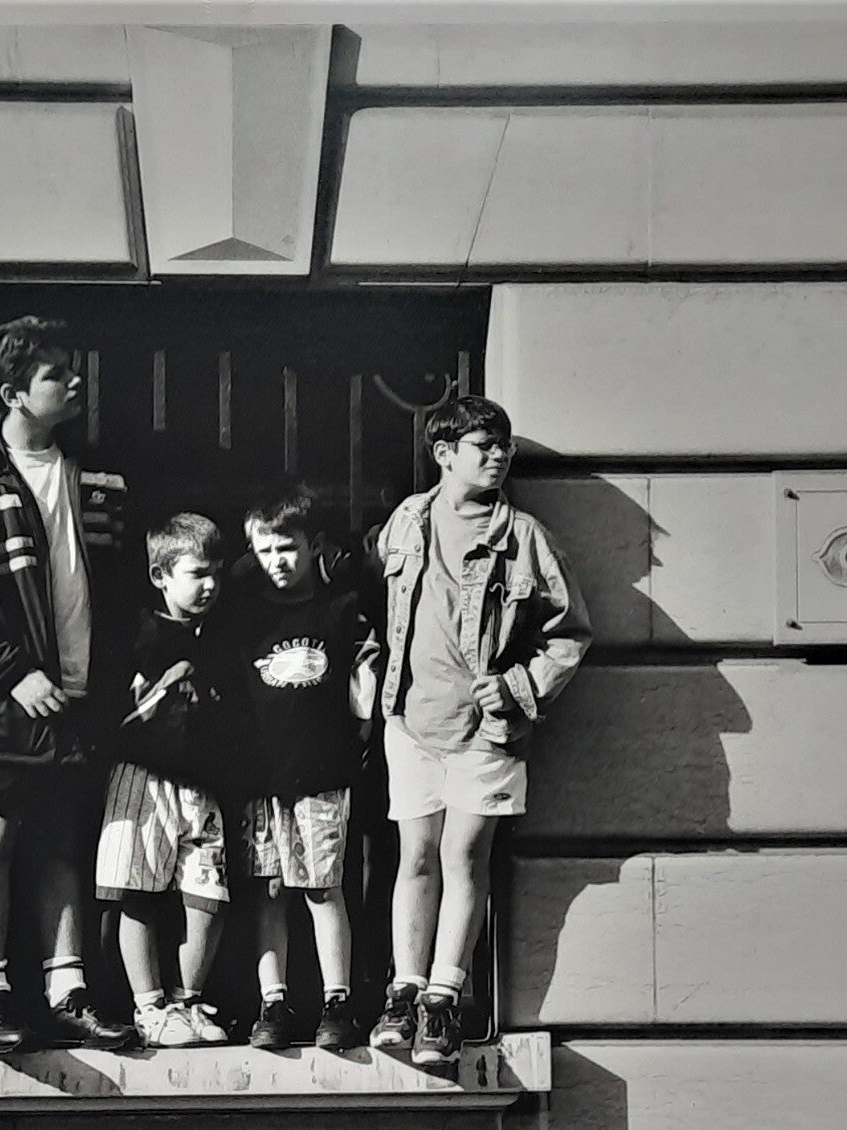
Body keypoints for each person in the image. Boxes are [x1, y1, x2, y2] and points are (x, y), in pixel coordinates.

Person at [0, 315, 136, 1055]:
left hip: (80, 704)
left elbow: (124, 590)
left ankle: (68, 990)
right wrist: (16, 676)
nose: (72, 382)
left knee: (66, 843)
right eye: (54, 374)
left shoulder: (100, 479)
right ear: (14, 393)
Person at [368, 394, 591, 1072]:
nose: (497, 457)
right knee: (415, 858)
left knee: (464, 858)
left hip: (485, 730)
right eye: (481, 446)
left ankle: (444, 997)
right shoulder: (407, 519)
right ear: (443, 455)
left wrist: (518, 686)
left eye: (503, 446)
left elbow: (570, 632)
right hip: (410, 722)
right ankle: (403, 993)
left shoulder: (521, 535)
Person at [228, 484, 379, 1052]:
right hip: (261, 776)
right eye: (264, 551)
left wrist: (360, 733)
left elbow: (365, 683)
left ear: (314, 545)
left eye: (288, 547)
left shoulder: (339, 610)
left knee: (322, 888)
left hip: (322, 771)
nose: (277, 562)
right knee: (269, 889)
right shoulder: (245, 615)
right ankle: (274, 1001)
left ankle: (336, 1000)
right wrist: (252, 553)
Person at [95, 514, 238, 1047]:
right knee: (139, 891)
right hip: (144, 778)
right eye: (198, 573)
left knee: (208, 893)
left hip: (201, 785)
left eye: (217, 574)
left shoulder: (221, 634)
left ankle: (189, 1001)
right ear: (160, 575)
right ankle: (149, 1006)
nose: (210, 586)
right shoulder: (136, 633)